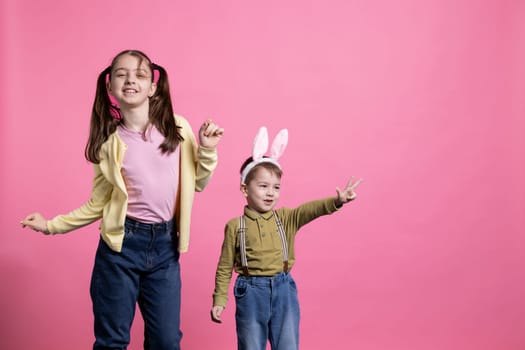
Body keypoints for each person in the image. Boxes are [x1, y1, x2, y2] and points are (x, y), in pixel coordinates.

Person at [20, 49, 224, 350]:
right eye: (121, 74)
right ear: (110, 86)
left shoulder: (178, 129)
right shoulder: (109, 144)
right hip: (120, 249)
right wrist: (51, 225)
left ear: (153, 87)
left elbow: (198, 183)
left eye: (140, 74)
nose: (131, 80)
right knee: (112, 341)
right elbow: (97, 204)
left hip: (166, 248)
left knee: (166, 341)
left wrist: (206, 150)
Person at [210, 127, 362, 350]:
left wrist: (336, 201)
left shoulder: (286, 218)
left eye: (276, 187)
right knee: (251, 344)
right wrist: (219, 299)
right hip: (250, 292)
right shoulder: (235, 226)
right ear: (244, 188)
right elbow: (224, 267)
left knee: (288, 344)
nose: (270, 193)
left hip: (283, 289)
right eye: (263, 186)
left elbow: (310, 210)